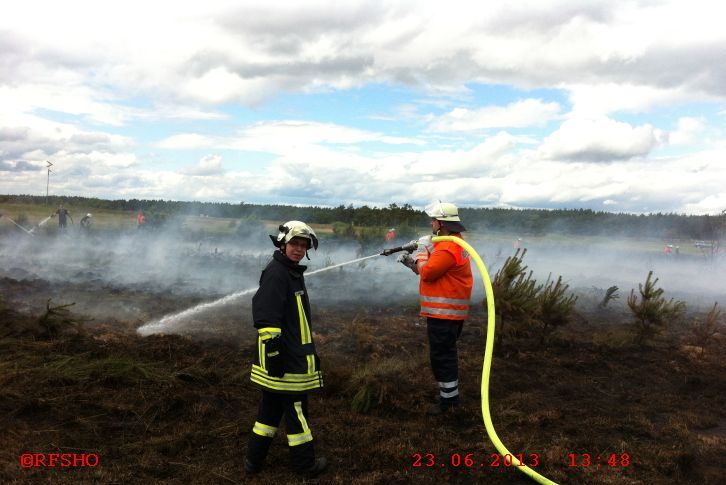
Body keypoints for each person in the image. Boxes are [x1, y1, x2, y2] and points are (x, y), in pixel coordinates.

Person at [245, 221, 327, 478]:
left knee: (268, 414)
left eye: (303, 245)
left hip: (283, 360)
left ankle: (253, 461)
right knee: (297, 415)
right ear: (283, 243)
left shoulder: (289, 271)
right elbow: (266, 316)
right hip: (287, 363)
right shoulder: (277, 274)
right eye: (294, 244)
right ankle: (305, 466)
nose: (299, 249)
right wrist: (275, 354)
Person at [398, 202, 473, 415]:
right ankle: (448, 394)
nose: (430, 223)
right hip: (446, 312)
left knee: (442, 356)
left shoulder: (449, 248)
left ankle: (448, 402)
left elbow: (429, 272)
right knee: (443, 354)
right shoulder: (450, 244)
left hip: (445, 313)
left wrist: (422, 250)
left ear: (442, 224)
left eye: (433, 220)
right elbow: (429, 271)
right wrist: (412, 262)